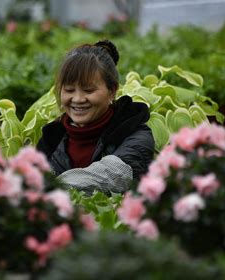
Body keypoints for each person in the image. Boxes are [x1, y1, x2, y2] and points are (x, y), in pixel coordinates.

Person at [37, 39, 155, 195]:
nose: (78, 99)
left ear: (112, 91)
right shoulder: (51, 140)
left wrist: (43, 189)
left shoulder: (135, 136)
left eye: (88, 90)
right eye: (69, 90)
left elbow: (111, 176)